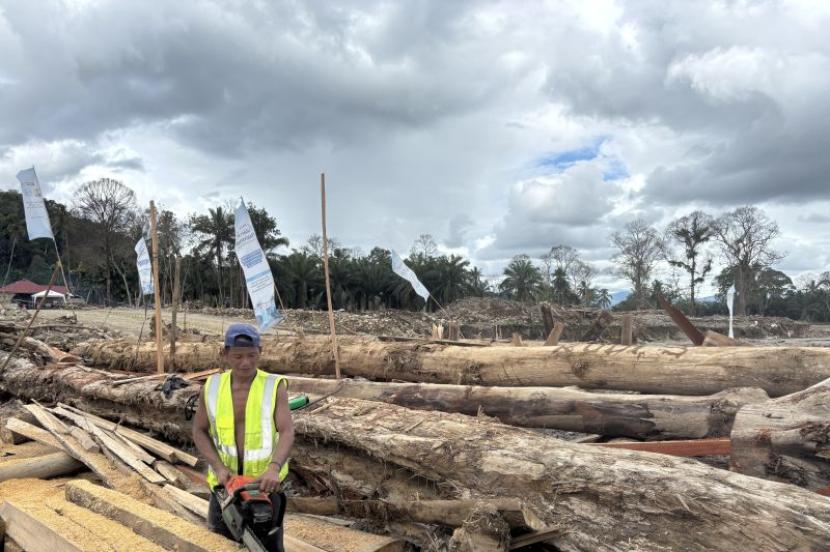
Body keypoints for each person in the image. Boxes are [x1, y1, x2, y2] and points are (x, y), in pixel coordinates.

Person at [192, 323, 294, 551]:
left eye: (251, 355)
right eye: (238, 356)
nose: (245, 362)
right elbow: (199, 430)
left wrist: (274, 468)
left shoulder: (274, 386)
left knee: (268, 545)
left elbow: (287, 430)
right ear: (225, 354)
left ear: (260, 352)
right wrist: (218, 467)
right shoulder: (212, 386)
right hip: (224, 487)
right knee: (219, 544)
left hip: (263, 487)